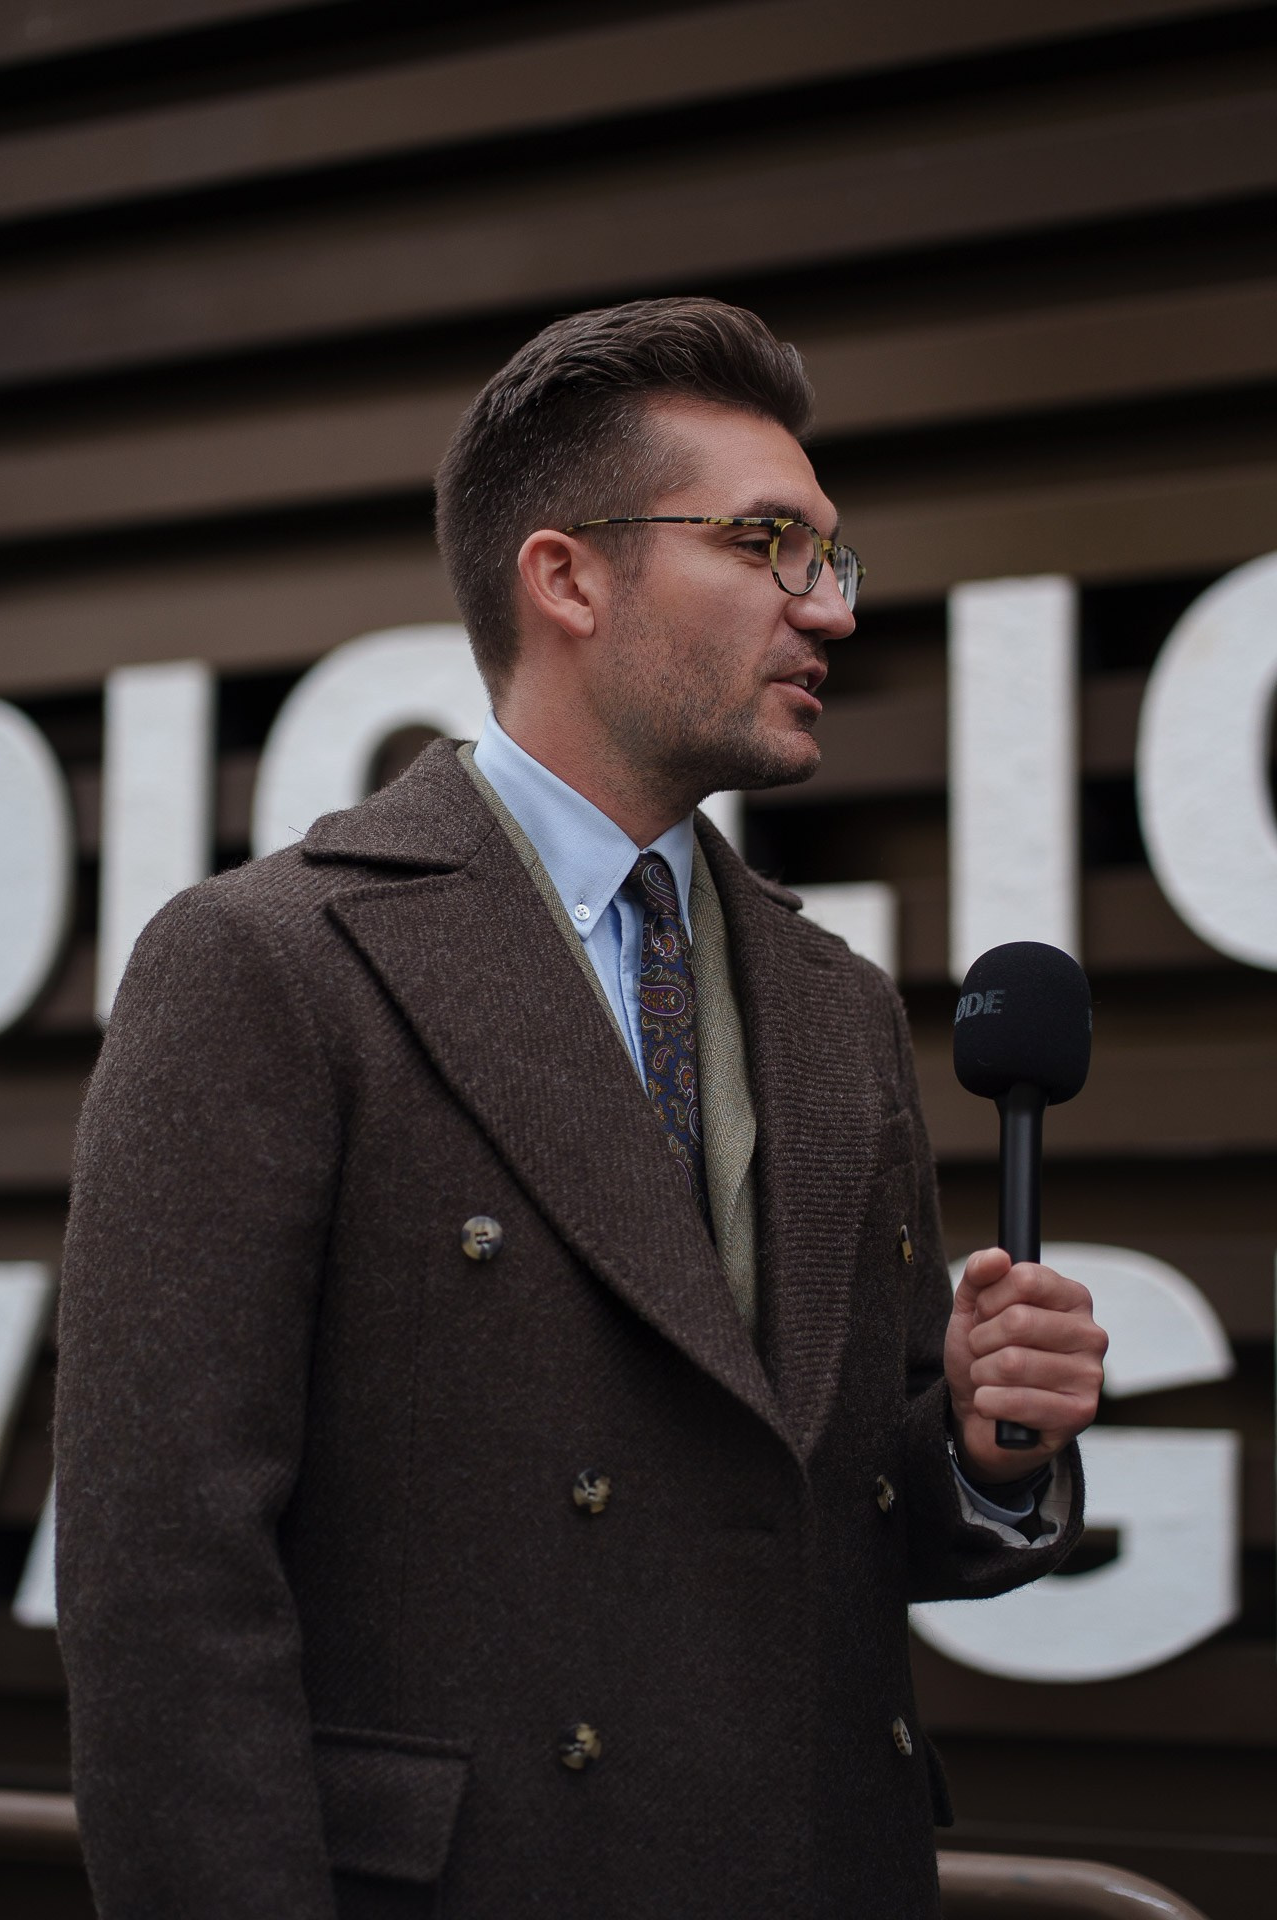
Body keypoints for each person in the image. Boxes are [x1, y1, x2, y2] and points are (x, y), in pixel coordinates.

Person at [54, 297, 1107, 1919]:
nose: (825, 607)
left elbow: (830, 1523)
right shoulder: (268, 961)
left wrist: (979, 1443)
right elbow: (165, 1584)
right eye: (769, 543)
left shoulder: (830, 1000)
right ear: (567, 576)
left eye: (832, 554)